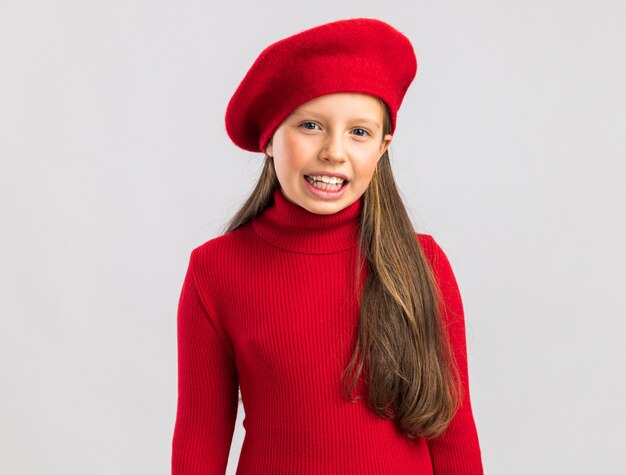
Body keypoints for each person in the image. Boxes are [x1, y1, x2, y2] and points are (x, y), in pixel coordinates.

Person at [171, 18, 484, 475]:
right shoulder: (215, 270)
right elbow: (199, 443)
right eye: (311, 125)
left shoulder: (423, 263)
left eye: (359, 132)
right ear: (270, 140)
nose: (334, 152)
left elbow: (454, 436)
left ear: (382, 147)